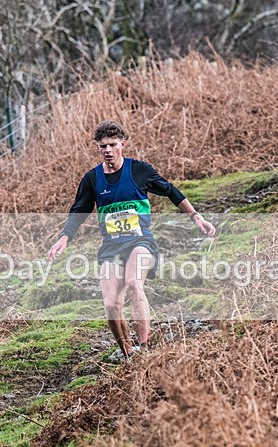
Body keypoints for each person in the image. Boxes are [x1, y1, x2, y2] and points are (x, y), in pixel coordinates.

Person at [48, 121, 216, 359]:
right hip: (111, 247)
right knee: (110, 304)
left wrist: (197, 218)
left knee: (134, 283)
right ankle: (128, 354)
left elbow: (170, 190)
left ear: (122, 145)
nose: (108, 150)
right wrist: (63, 239)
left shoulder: (139, 170)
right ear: (97, 148)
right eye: (103, 146)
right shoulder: (92, 179)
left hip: (140, 242)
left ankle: (145, 349)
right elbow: (79, 211)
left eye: (112, 145)